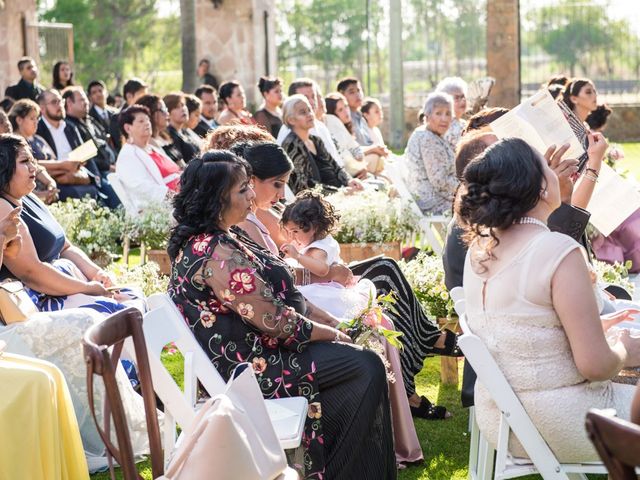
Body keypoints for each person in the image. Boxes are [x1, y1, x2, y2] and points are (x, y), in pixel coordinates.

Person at [168, 150, 396, 479]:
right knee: (364, 365)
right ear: (218, 199)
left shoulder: (222, 237)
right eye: (243, 189)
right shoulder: (214, 252)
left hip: (260, 351)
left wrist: (329, 322)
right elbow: (276, 320)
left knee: (360, 361)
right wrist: (330, 332)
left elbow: (279, 298)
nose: (251, 195)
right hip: (248, 368)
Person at [228, 134, 459, 420]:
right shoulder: (247, 221)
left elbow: (299, 251)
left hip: (315, 275)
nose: (281, 193)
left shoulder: (268, 210)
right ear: (251, 181)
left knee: (385, 266)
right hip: (308, 285)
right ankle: (413, 378)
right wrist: (327, 273)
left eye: (284, 184)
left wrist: (328, 261)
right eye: (277, 184)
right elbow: (279, 275)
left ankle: (425, 347)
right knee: (383, 276)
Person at [458, 136, 640, 462]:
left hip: (503, 419)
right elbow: (596, 366)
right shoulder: (557, 250)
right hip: (569, 420)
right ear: (542, 188)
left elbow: (529, 329)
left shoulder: (480, 249)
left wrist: (599, 331)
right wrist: (623, 346)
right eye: (548, 167)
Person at [280, 95, 361, 195]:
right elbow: (303, 187)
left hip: (338, 193)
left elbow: (335, 166)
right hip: (317, 204)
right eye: (302, 112)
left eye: (309, 110)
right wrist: (340, 193)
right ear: (291, 120)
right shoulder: (291, 146)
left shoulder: (315, 140)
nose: (309, 114)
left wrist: (349, 181)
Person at [35, 89, 99, 201]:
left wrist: (95, 177)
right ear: (43, 108)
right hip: (56, 179)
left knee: (95, 189)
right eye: (54, 102)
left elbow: (85, 155)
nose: (59, 105)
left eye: (61, 101)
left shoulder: (71, 126)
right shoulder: (38, 129)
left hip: (78, 174)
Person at [62, 87, 121, 208]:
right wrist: (108, 167)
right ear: (69, 102)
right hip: (97, 174)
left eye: (86, 99)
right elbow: (84, 158)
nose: (87, 103)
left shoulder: (89, 121)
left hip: (109, 168)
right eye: (82, 100)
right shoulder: (68, 127)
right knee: (116, 196)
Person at [115, 105, 180, 212]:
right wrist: (175, 196)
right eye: (141, 121)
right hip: (166, 207)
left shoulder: (152, 148)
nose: (147, 123)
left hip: (182, 194)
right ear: (128, 128)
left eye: (148, 120)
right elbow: (142, 188)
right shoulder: (128, 155)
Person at [405, 92, 457, 215]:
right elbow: (440, 181)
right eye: (438, 113)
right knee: (481, 206)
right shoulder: (427, 139)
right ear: (427, 116)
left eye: (448, 113)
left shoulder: (431, 135)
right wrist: (466, 190)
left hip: (434, 196)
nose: (444, 119)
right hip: (432, 201)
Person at [276, 79, 345, 167]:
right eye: (305, 97)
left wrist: (349, 180)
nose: (312, 102)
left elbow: (336, 163)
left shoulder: (320, 126)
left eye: (313, 96)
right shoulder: (288, 134)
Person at [8, 99, 60, 204]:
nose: (36, 122)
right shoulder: (13, 144)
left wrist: (51, 184)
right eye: (32, 118)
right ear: (19, 120)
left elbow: (53, 160)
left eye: (37, 118)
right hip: (32, 192)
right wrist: (40, 194)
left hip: (49, 183)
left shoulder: (39, 139)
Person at [323, 93, 368, 178]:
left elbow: (355, 149)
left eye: (346, 106)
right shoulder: (332, 128)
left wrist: (362, 165)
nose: (346, 111)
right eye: (340, 110)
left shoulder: (348, 126)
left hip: (358, 167)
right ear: (332, 113)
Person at [136, 94, 186, 168]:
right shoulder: (148, 143)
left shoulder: (165, 137)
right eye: (163, 110)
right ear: (151, 113)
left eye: (166, 109)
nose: (167, 113)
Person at [163, 92, 201, 164]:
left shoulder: (184, 131)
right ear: (168, 113)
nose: (183, 109)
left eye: (183, 105)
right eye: (177, 107)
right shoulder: (169, 135)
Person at [435, 77, 468, 150]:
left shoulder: (463, 123)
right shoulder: (445, 125)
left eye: (463, 96)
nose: (462, 100)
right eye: (456, 98)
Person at [337, 77, 371, 146]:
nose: (358, 95)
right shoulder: (344, 120)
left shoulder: (361, 118)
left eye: (359, 90)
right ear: (342, 96)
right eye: (352, 92)